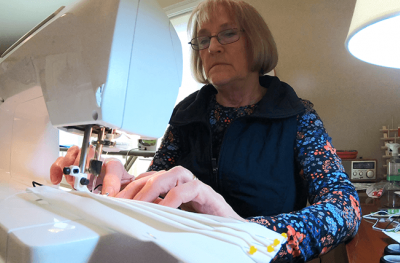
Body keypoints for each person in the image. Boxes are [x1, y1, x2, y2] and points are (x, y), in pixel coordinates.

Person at [50, 0, 361, 261]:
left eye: (226, 34)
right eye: (202, 39)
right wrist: (116, 184)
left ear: (257, 42)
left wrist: (243, 232)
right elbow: (155, 189)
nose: (212, 47)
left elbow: (345, 208)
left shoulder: (297, 115)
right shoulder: (185, 117)